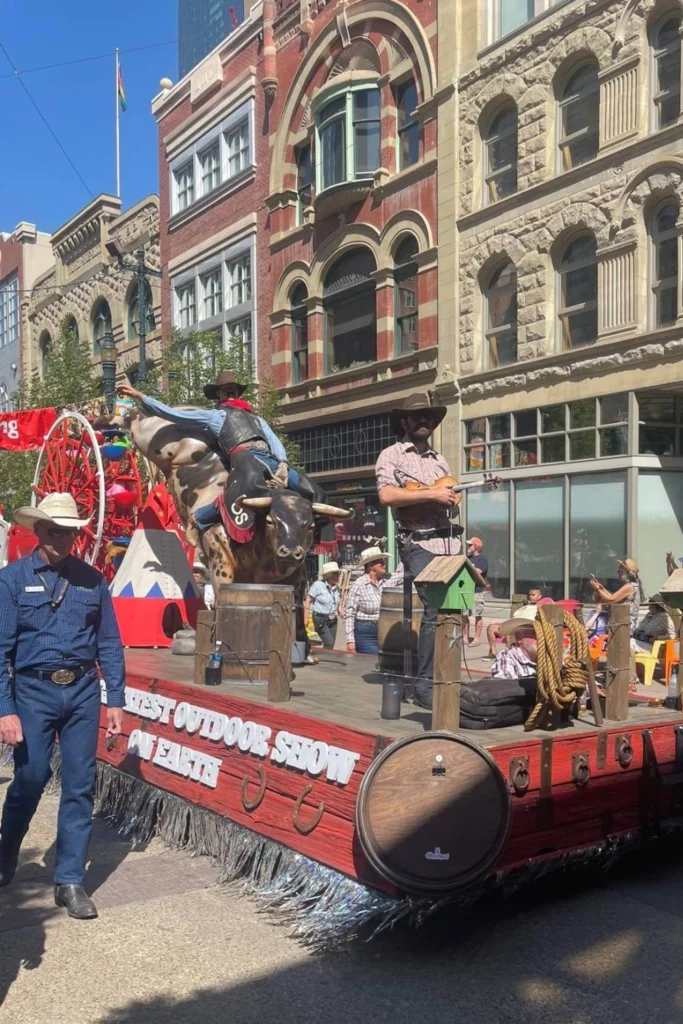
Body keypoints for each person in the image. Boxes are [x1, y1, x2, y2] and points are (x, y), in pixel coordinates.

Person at [0, 493, 125, 919]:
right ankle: (7, 849)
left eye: (69, 532)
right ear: (38, 531)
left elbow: (109, 641)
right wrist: (5, 709)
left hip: (83, 691)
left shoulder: (93, 580)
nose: (62, 540)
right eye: (54, 532)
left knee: (80, 784)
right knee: (31, 776)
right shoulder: (11, 581)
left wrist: (116, 699)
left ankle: (70, 880)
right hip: (32, 692)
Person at [118, 374, 325, 532]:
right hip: (244, 458)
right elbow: (173, 414)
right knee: (249, 487)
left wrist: (283, 463)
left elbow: (274, 441)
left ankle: (308, 535)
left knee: (315, 492)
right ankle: (201, 518)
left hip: (271, 462)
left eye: (233, 389)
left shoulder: (257, 419)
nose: (231, 393)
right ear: (219, 394)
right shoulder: (215, 416)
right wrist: (142, 397)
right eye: (226, 390)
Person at [376, 393, 461, 708]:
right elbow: (387, 496)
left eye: (428, 416)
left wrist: (450, 499)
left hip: (448, 542)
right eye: (417, 416)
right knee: (434, 607)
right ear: (405, 421)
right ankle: (424, 686)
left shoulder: (440, 460)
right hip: (418, 542)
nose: (423, 421)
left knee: (455, 608)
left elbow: (447, 499)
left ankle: (446, 679)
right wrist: (432, 495)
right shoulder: (392, 455)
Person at [344, 548, 403, 655]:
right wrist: (350, 640)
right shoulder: (359, 585)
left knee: (385, 660)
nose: (384, 564)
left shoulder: (387, 579)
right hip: (365, 632)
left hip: (385, 629)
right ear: (371, 565)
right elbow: (349, 614)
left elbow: (405, 575)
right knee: (371, 660)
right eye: (380, 562)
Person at [484, 586, 544, 659]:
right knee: (491, 628)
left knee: (509, 631)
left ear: (539, 596)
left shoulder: (540, 607)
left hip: (527, 628)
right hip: (516, 624)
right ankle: (493, 653)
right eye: (529, 595)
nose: (530, 597)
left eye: (533, 595)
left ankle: (509, 653)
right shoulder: (525, 606)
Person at [589, 558, 644, 634]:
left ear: (626, 572)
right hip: (621, 626)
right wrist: (602, 588)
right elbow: (614, 597)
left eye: (620, 569)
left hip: (623, 628)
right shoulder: (632, 585)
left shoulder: (630, 586)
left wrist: (598, 589)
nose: (618, 571)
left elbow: (611, 600)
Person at [305, 562, 341, 649]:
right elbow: (308, 601)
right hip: (320, 619)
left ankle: (325, 657)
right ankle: (324, 657)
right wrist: (305, 619)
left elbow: (338, 606)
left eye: (338, 573)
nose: (339, 575)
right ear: (329, 575)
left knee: (330, 645)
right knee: (329, 642)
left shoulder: (337, 588)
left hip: (333, 620)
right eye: (336, 573)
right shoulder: (318, 585)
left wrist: (346, 616)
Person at [464, 536, 488, 646]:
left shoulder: (482, 559)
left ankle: (476, 639)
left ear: (476, 546)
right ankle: (465, 637)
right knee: (464, 614)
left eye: (470, 545)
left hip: (477, 590)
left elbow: (478, 571)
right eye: (467, 545)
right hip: (466, 589)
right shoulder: (467, 558)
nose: (468, 547)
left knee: (477, 614)